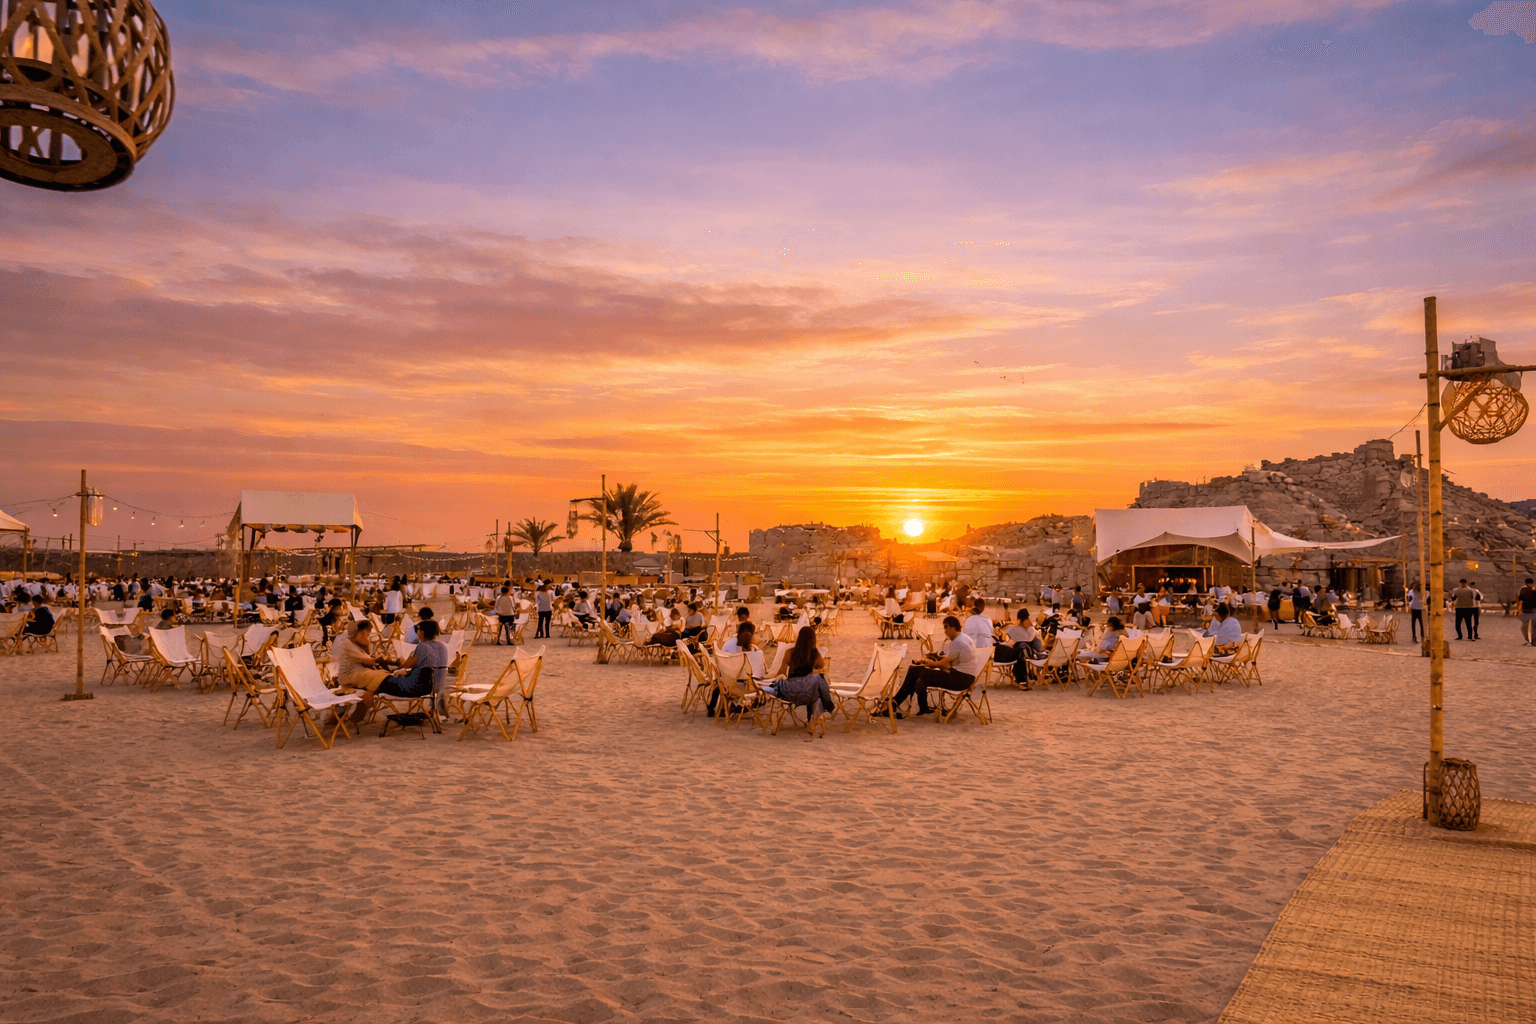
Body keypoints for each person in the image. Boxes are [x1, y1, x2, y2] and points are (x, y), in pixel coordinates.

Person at [888, 616, 979, 718]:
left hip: (960, 679)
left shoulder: (957, 642)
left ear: (953, 628)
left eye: (946, 627)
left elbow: (944, 664)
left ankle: (902, 704)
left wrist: (929, 663)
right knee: (915, 670)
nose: (945, 631)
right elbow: (950, 660)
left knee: (923, 674)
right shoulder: (963, 637)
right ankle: (902, 703)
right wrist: (936, 659)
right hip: (964, 677)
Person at [766, 626, 835, 732]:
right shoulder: (814, 654)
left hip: (791, 692)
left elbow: (781, 673)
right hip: (808, 693)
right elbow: (822, 666)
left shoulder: (790, 652)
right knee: (817, 683)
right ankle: (815, 715)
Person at [1517, 577, 1536, 646]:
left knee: (1525, 627)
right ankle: (1533, 641)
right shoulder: (1533, 590)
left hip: (1526, 611)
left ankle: (1530, 640)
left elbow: (1520, 599)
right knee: (1533, 627)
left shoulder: (1523, 590)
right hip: (1532, 610)